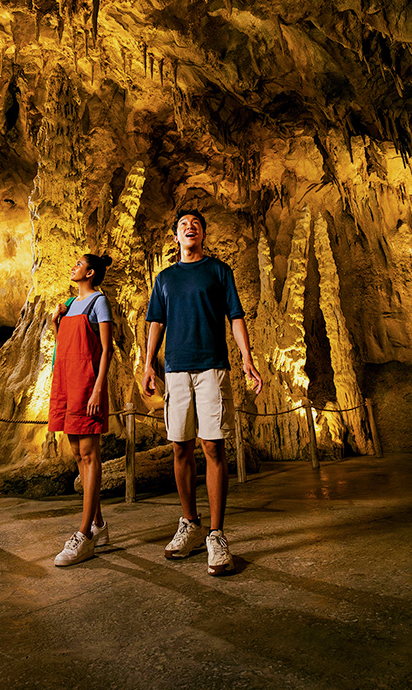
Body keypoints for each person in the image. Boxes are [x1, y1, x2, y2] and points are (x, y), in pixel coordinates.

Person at [143, 209, 263, 577]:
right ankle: (189, 524)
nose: (189, 227)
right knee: (181, 446)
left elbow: (235, 316)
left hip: (212, 367)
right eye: (182, 225)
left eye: (195, 224)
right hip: (176, 368)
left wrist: (247, 357)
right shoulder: (164, 279)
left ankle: (216, 533)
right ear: (175, 237)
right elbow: (155, 322)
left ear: (202, 234)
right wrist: (148, 363)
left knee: (213, 445)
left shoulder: (218, 271)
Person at [49, 253, 115, 567]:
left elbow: (106, 348)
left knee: (90, 455)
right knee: (78, 455)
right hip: (65, 382)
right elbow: (64, 345)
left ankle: (84, 534)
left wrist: (99, 387)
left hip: (86, 384)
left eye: (78, 263)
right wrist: (54, 322)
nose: (72, 265)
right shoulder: (69, 304)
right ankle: (99, 524)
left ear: (90, 272)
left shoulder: (98, 302)